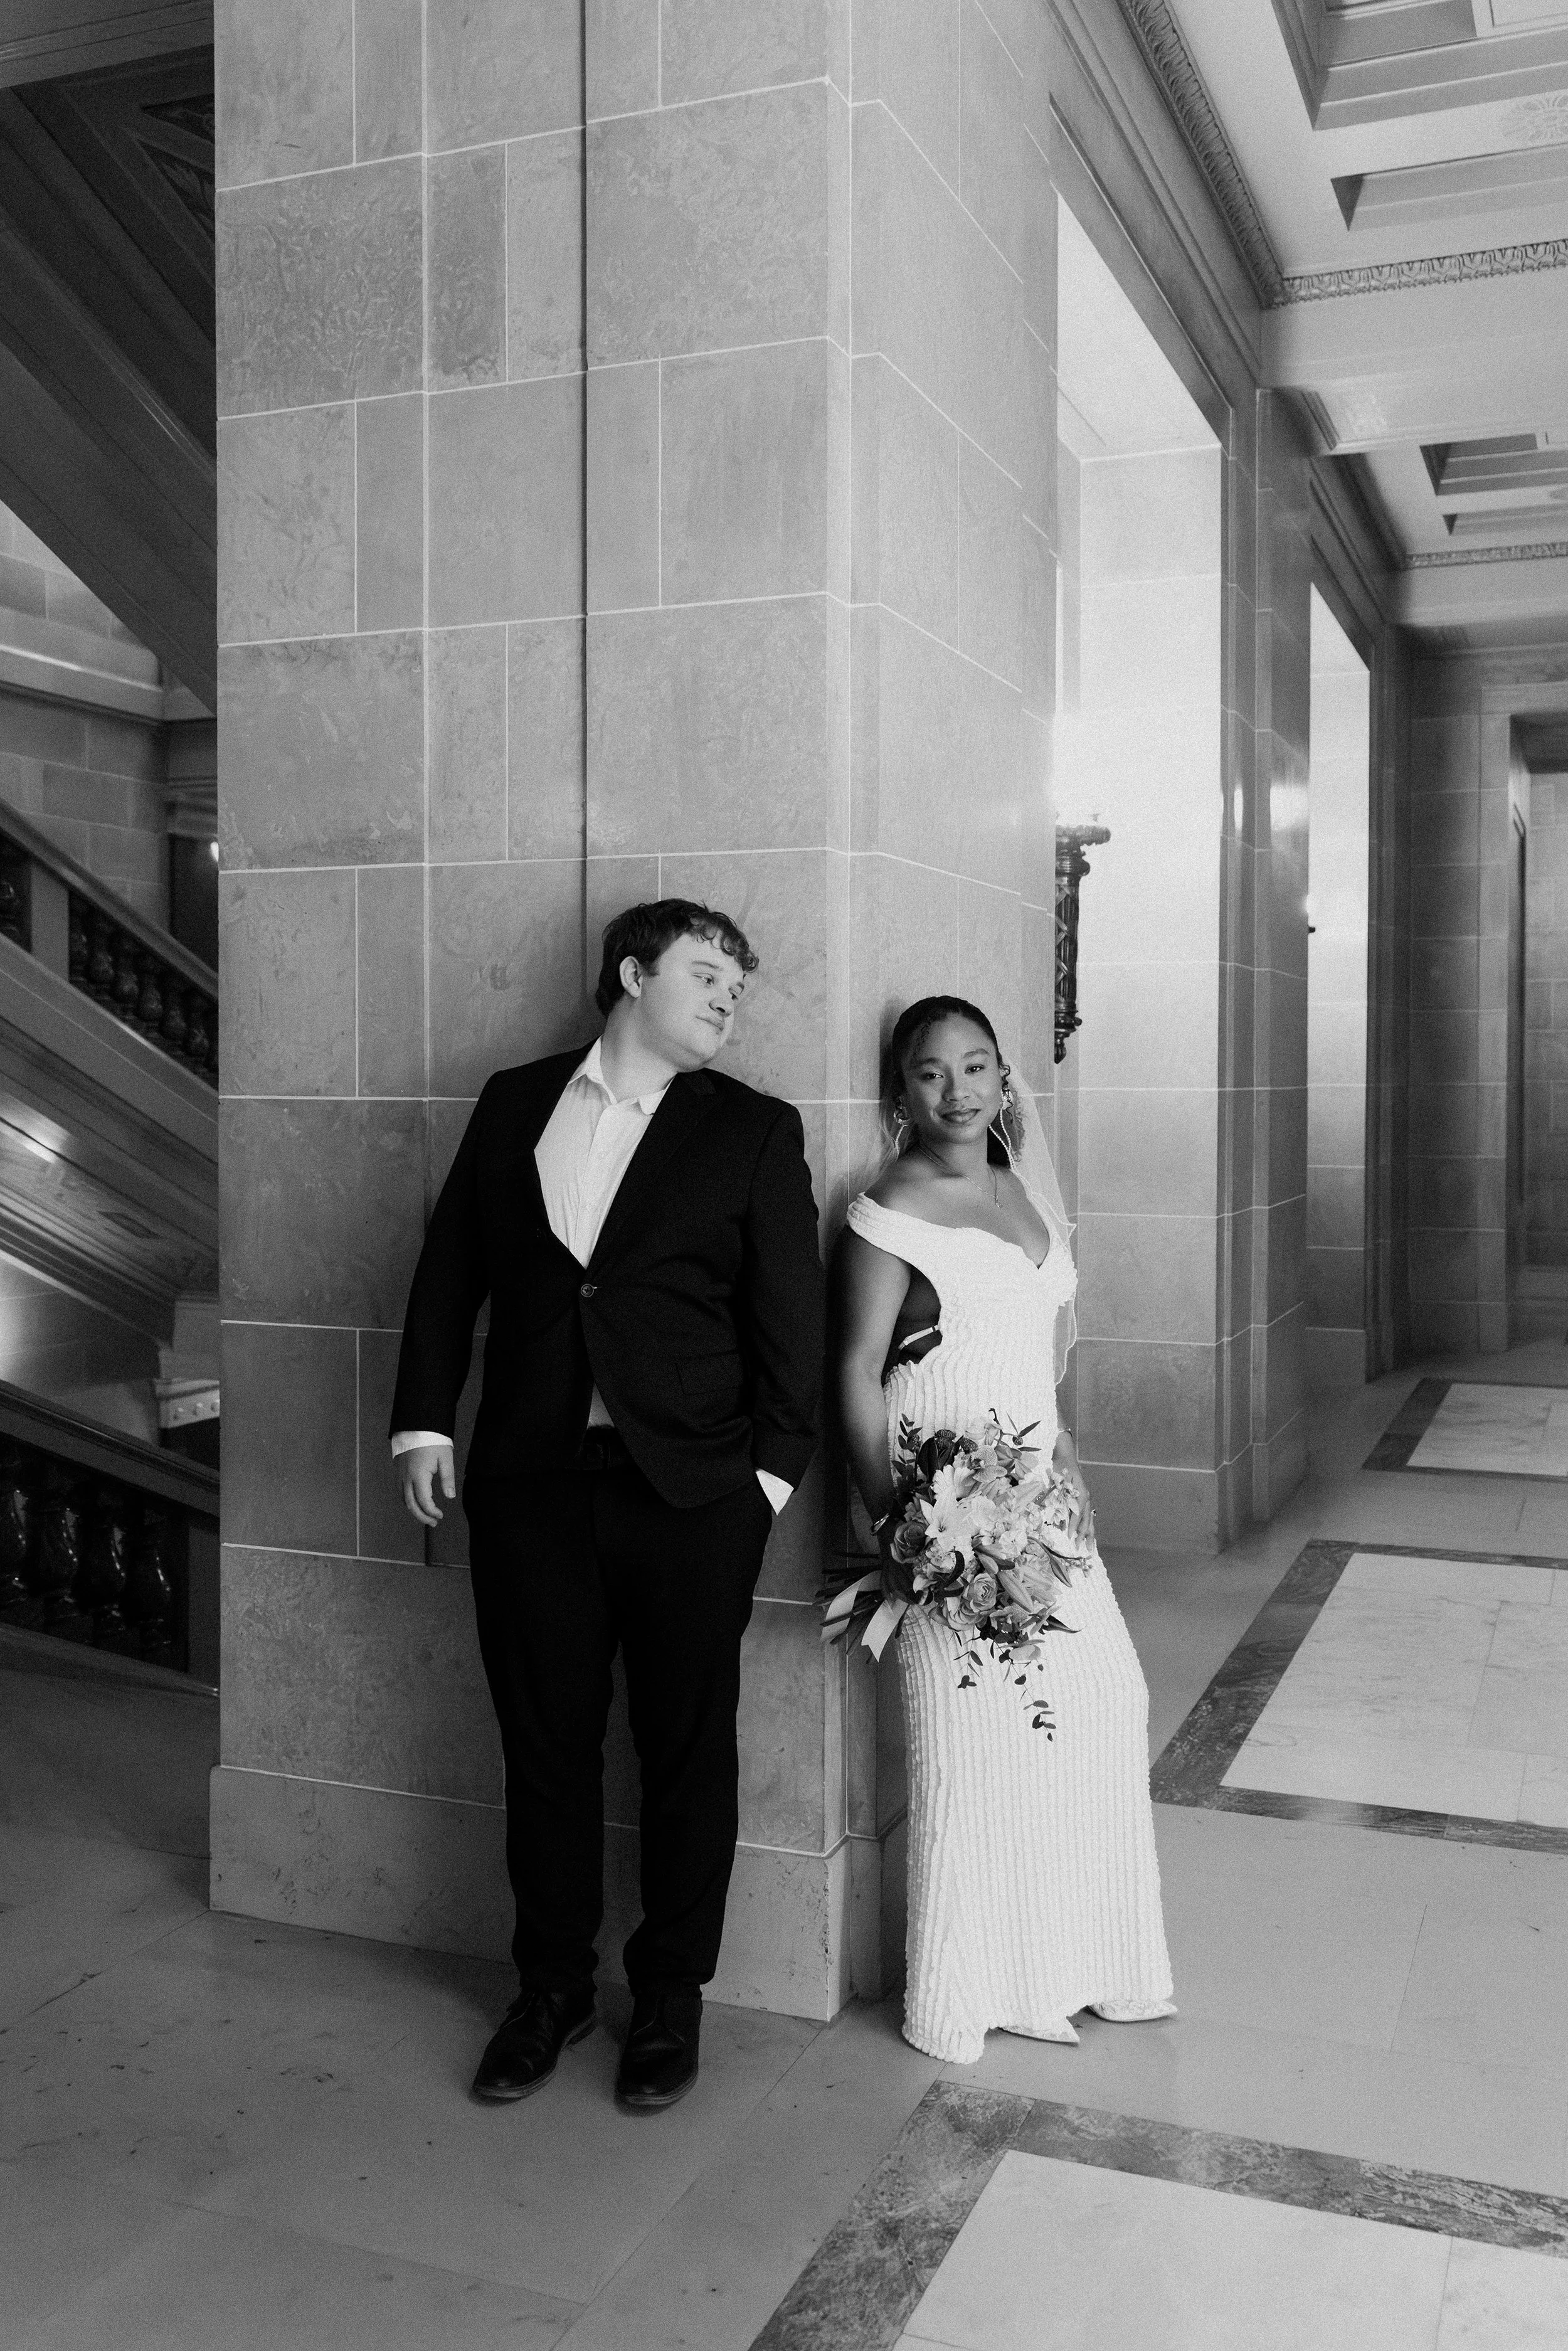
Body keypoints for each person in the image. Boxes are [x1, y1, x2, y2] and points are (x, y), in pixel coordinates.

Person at [389, 900, 823, 2111]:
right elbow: (448, 1274)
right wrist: (425, 1418)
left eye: (741, 985)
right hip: (528, 1488)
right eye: (706, 975)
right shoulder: (513, 1100)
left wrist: (763, 1490)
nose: (729, 999)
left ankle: (671, 2002)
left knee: (688, 1753)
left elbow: (792, 1331)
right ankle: (552, 1991)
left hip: (690, 1497)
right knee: (545, 1748)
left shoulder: (751, 1130)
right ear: (632, 976)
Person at [837, 995, 1174, 2063]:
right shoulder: (891, 1204)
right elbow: (852, 1372)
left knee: (1108, 1696)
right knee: (978, 1742)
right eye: (930, 1073)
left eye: (976, 1066)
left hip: (1040, 1498)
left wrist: (1066, 1463)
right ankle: (969, 1989)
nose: (957, 1090)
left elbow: (1035, 1354)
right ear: (902, 1091)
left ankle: (1082, 1958)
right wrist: (902, 1522)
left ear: (1002, 1077)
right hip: (943, 1511)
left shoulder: (1025, 1196)